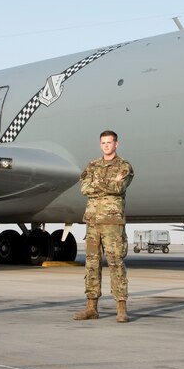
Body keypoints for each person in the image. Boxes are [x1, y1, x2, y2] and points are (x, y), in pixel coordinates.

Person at [73, 129, 135, 323]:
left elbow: (120, 187)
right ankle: (91, 307)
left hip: (112, 223)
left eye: (109, 142)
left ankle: (121, 308)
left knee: (116, 263)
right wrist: (108, 183)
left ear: (116, 144)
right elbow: (84, 187)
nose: (106, 145)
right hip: (93, 222)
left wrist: (98, 184)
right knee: (91, 264)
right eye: (103, 143)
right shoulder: (92, 165)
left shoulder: (124, 166)